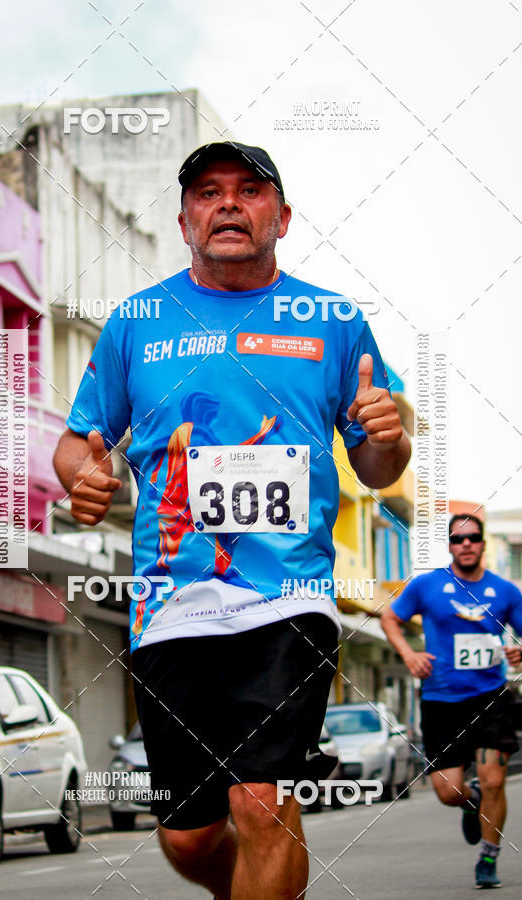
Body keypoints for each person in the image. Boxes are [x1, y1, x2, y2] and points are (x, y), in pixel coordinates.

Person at [54, 141, 410, 899]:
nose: (227, 204)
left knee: (261, 802)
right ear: (185, 220)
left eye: (249, 190)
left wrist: (389, 434)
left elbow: (380, 467)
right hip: (169, 604)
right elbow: (79, 441)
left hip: (289, 597)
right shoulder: (136, 321)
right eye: (208, 192)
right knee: (188, 836)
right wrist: (83, 476)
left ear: (282, 217)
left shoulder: (332, 320)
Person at [381, 513, 522, 890]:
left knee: (494, 780)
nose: (466, 544)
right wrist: (409, 654)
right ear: (450, 545)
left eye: (473, 537)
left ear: (482, 543)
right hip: (441, 700)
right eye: (459, 539)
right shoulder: (426, 585)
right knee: (448, 791)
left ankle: (488, 857)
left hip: (491, 697)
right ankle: (470, 801)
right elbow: (389, 619)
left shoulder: (505, 591)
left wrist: (519, 651)